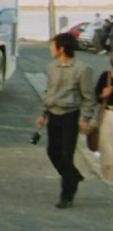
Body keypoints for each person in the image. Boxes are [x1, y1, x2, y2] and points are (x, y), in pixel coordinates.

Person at [35, 32, 97, 209]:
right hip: (53, 114)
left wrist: (85, 118)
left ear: (61, 48)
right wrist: (43, 113)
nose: (50, 48)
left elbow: (88, 97)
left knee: (66, 156)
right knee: (52, 153)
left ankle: (67, 195)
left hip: (71, 115)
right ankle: (73, 176)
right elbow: (50, 92)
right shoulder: (51, 67)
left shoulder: (82, 69)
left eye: (53, 45)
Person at [94, 51, 113, 181]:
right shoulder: (105, 77)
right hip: (108, 115)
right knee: (107, 152)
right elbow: (95, 97)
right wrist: (103, 95)